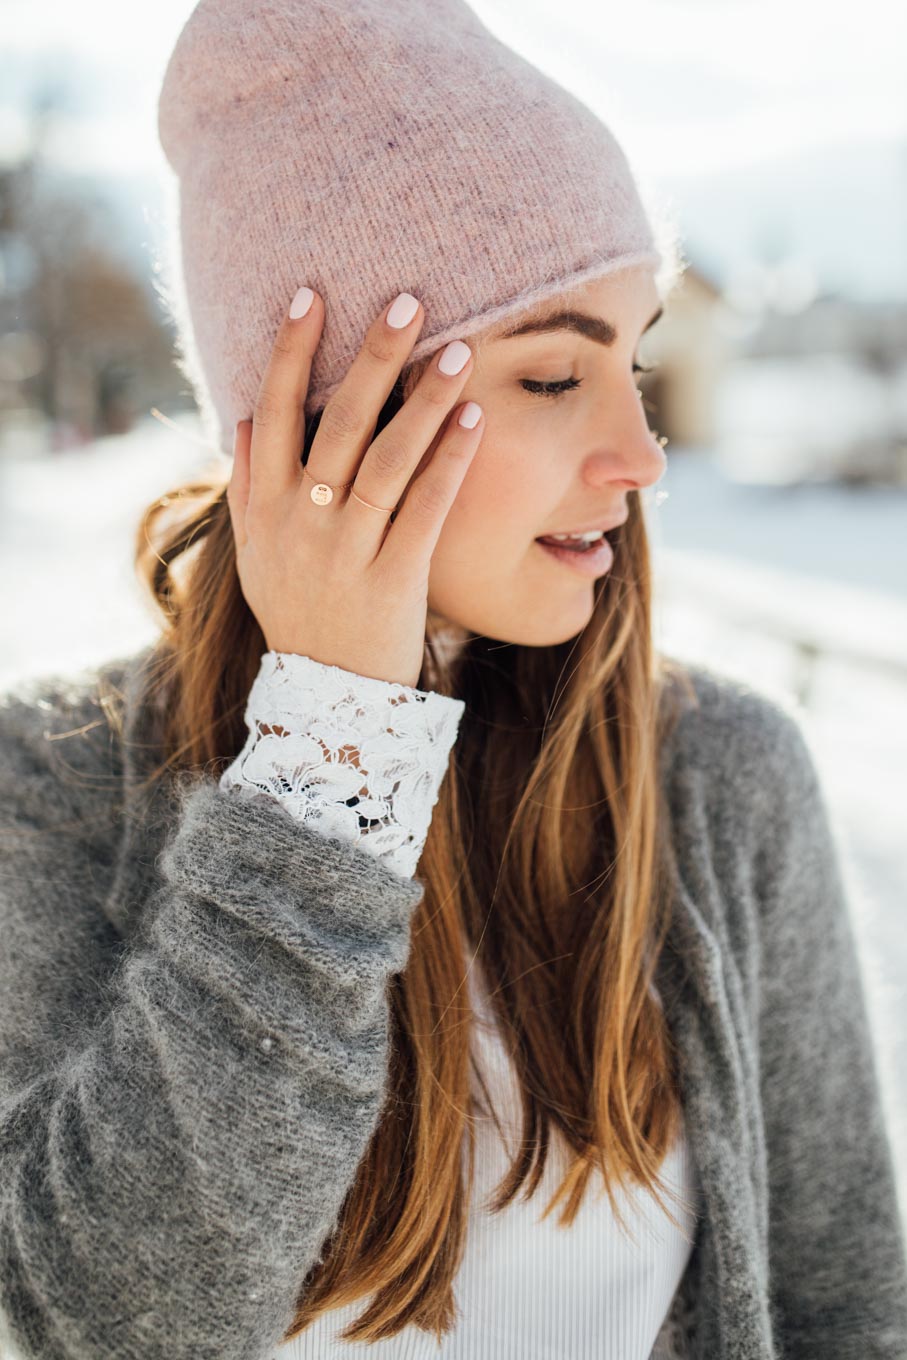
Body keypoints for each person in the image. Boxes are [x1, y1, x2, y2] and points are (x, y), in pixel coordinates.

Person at [1, 1, 905, 1357]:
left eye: (636, 361)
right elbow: (116, 1321)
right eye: (552, 375)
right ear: (318, 414)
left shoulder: (722, 779)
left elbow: (848, 1309)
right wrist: (326, 760)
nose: (640, 455)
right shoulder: (54, 786)